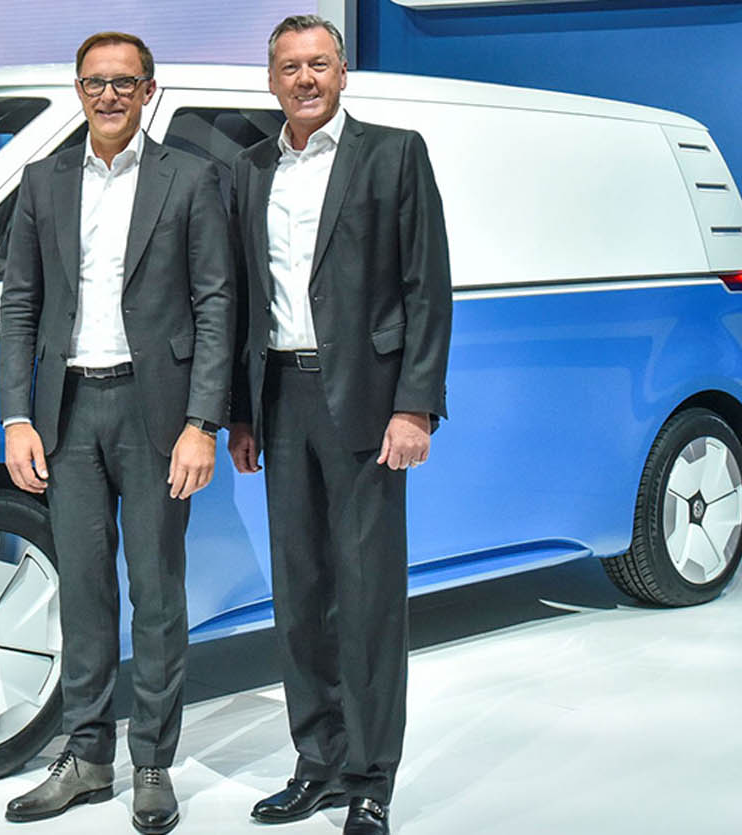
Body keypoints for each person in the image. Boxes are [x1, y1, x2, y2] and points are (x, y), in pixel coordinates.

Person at [0, 30, 233, 835]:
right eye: (96, 82)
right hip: (67, 413)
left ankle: (152, 763)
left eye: (124, 82)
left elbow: (215, 304)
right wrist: (18, 415)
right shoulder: (43, 180)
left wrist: (202, 422)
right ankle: (87, 756)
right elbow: (20, 303)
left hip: (155, 412)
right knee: (83, 593)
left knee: (157, 593)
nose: (108, 95)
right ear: (78, 89)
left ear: (148, 91)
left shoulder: (190, 178)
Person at [227, 15, 452, 835]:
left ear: (344, 71)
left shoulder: (394, 153)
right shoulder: (250, 168)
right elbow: (245, 297)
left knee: (367, 596)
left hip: (364, 400)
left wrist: (414, 404)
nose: (305, 79)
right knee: (300, 594)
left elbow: (428, 285)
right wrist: (241, 413)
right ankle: (317, 762)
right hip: (280, 397)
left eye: (319, 63)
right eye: (290, 67)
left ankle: (370, 777)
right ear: (271, 79)